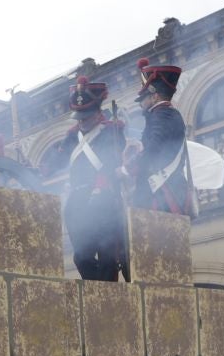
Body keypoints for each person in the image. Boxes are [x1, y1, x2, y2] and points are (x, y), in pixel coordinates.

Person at [39, 76, 132, 281]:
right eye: (79, 117)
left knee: (108, 258)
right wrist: (38, 170)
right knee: (81, 257)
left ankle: (106, 298)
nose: (82, 121)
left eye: (86, 116)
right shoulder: (73, 135)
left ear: (98, 112)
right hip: (78, 204)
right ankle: (96, 292)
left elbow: (119, 162)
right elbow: (58, 159)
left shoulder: (113, 131)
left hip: (105, 202)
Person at [130, 61, 193, 219]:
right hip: (167, 190)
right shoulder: (166, 114)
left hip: (163, 193)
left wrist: (129, 167)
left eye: (144, 98)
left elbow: (154, 147)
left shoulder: (161, 114)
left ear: (155, 96)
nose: (141, 103)